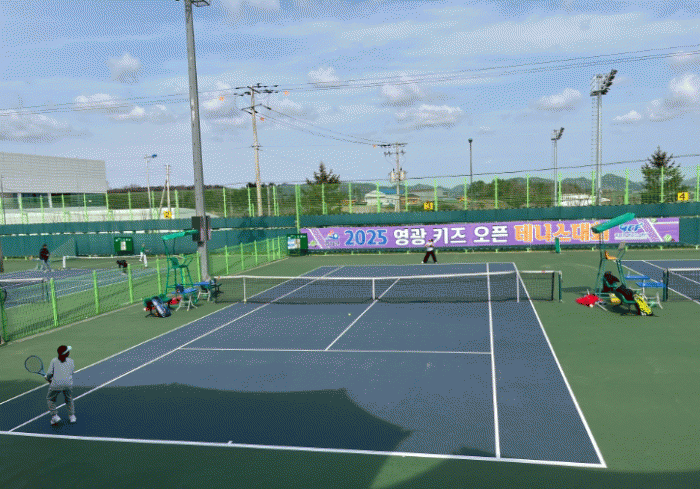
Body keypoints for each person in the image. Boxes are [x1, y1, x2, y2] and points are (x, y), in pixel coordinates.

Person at [45, 345, 76, 425]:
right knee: (69, 399)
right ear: (67, 354)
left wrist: (48, 378)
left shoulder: (54, 361)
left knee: (50, 399)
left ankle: (55, 416)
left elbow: (49, 374)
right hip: (68, 384)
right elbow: (71, 372)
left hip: (56, 385)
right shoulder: (71, 361)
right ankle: (72, 416)